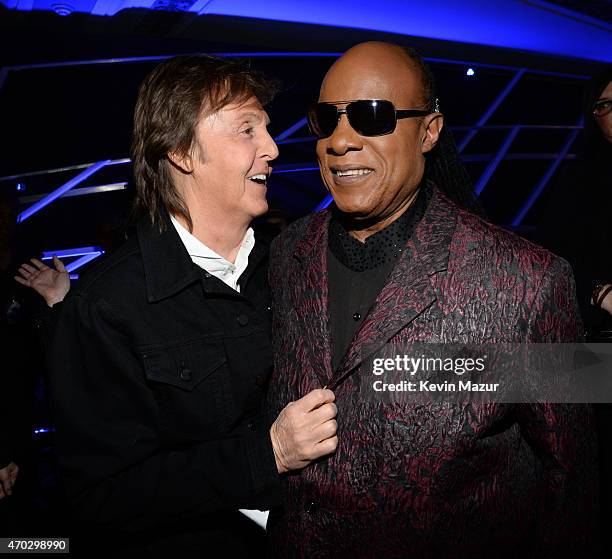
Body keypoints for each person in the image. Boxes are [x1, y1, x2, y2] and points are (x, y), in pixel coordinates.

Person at [265, 42, 597, 558]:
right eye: (327, 118)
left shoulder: (533, 280)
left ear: (430, 131)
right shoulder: (286, 256)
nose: (341, 140)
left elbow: (575, 478)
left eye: (372, 116)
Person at [24, 55, 338, 555]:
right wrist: (268, 454)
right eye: (246, 130)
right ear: (180, 152)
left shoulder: (302, 264)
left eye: (267, 130)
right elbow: (103, 498)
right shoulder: (106, 309)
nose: (273, 149)